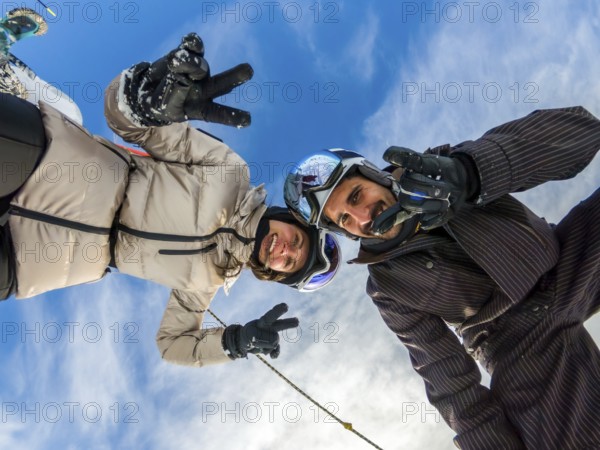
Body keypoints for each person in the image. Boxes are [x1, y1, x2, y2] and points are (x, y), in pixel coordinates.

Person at [0, 33, 340, 367]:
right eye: (296, 240)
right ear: (290, 218)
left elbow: (173, 345)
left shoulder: (206, 281)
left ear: (276, 274)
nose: (285, 249)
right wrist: (145, 103)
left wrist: (233, 342)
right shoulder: (228, 172)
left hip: (35, 258)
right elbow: (132, 126)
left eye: (290, 262)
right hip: (53, 164)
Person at [284, 107, 600, 449]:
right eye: (345, 219)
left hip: (567, 260)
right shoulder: (387, 287)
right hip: (517, 342)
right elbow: (447, 378)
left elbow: (582, 131)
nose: (362, 216)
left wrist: (471, 173)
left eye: (356, 195)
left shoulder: (440, 171)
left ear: (373, 174)